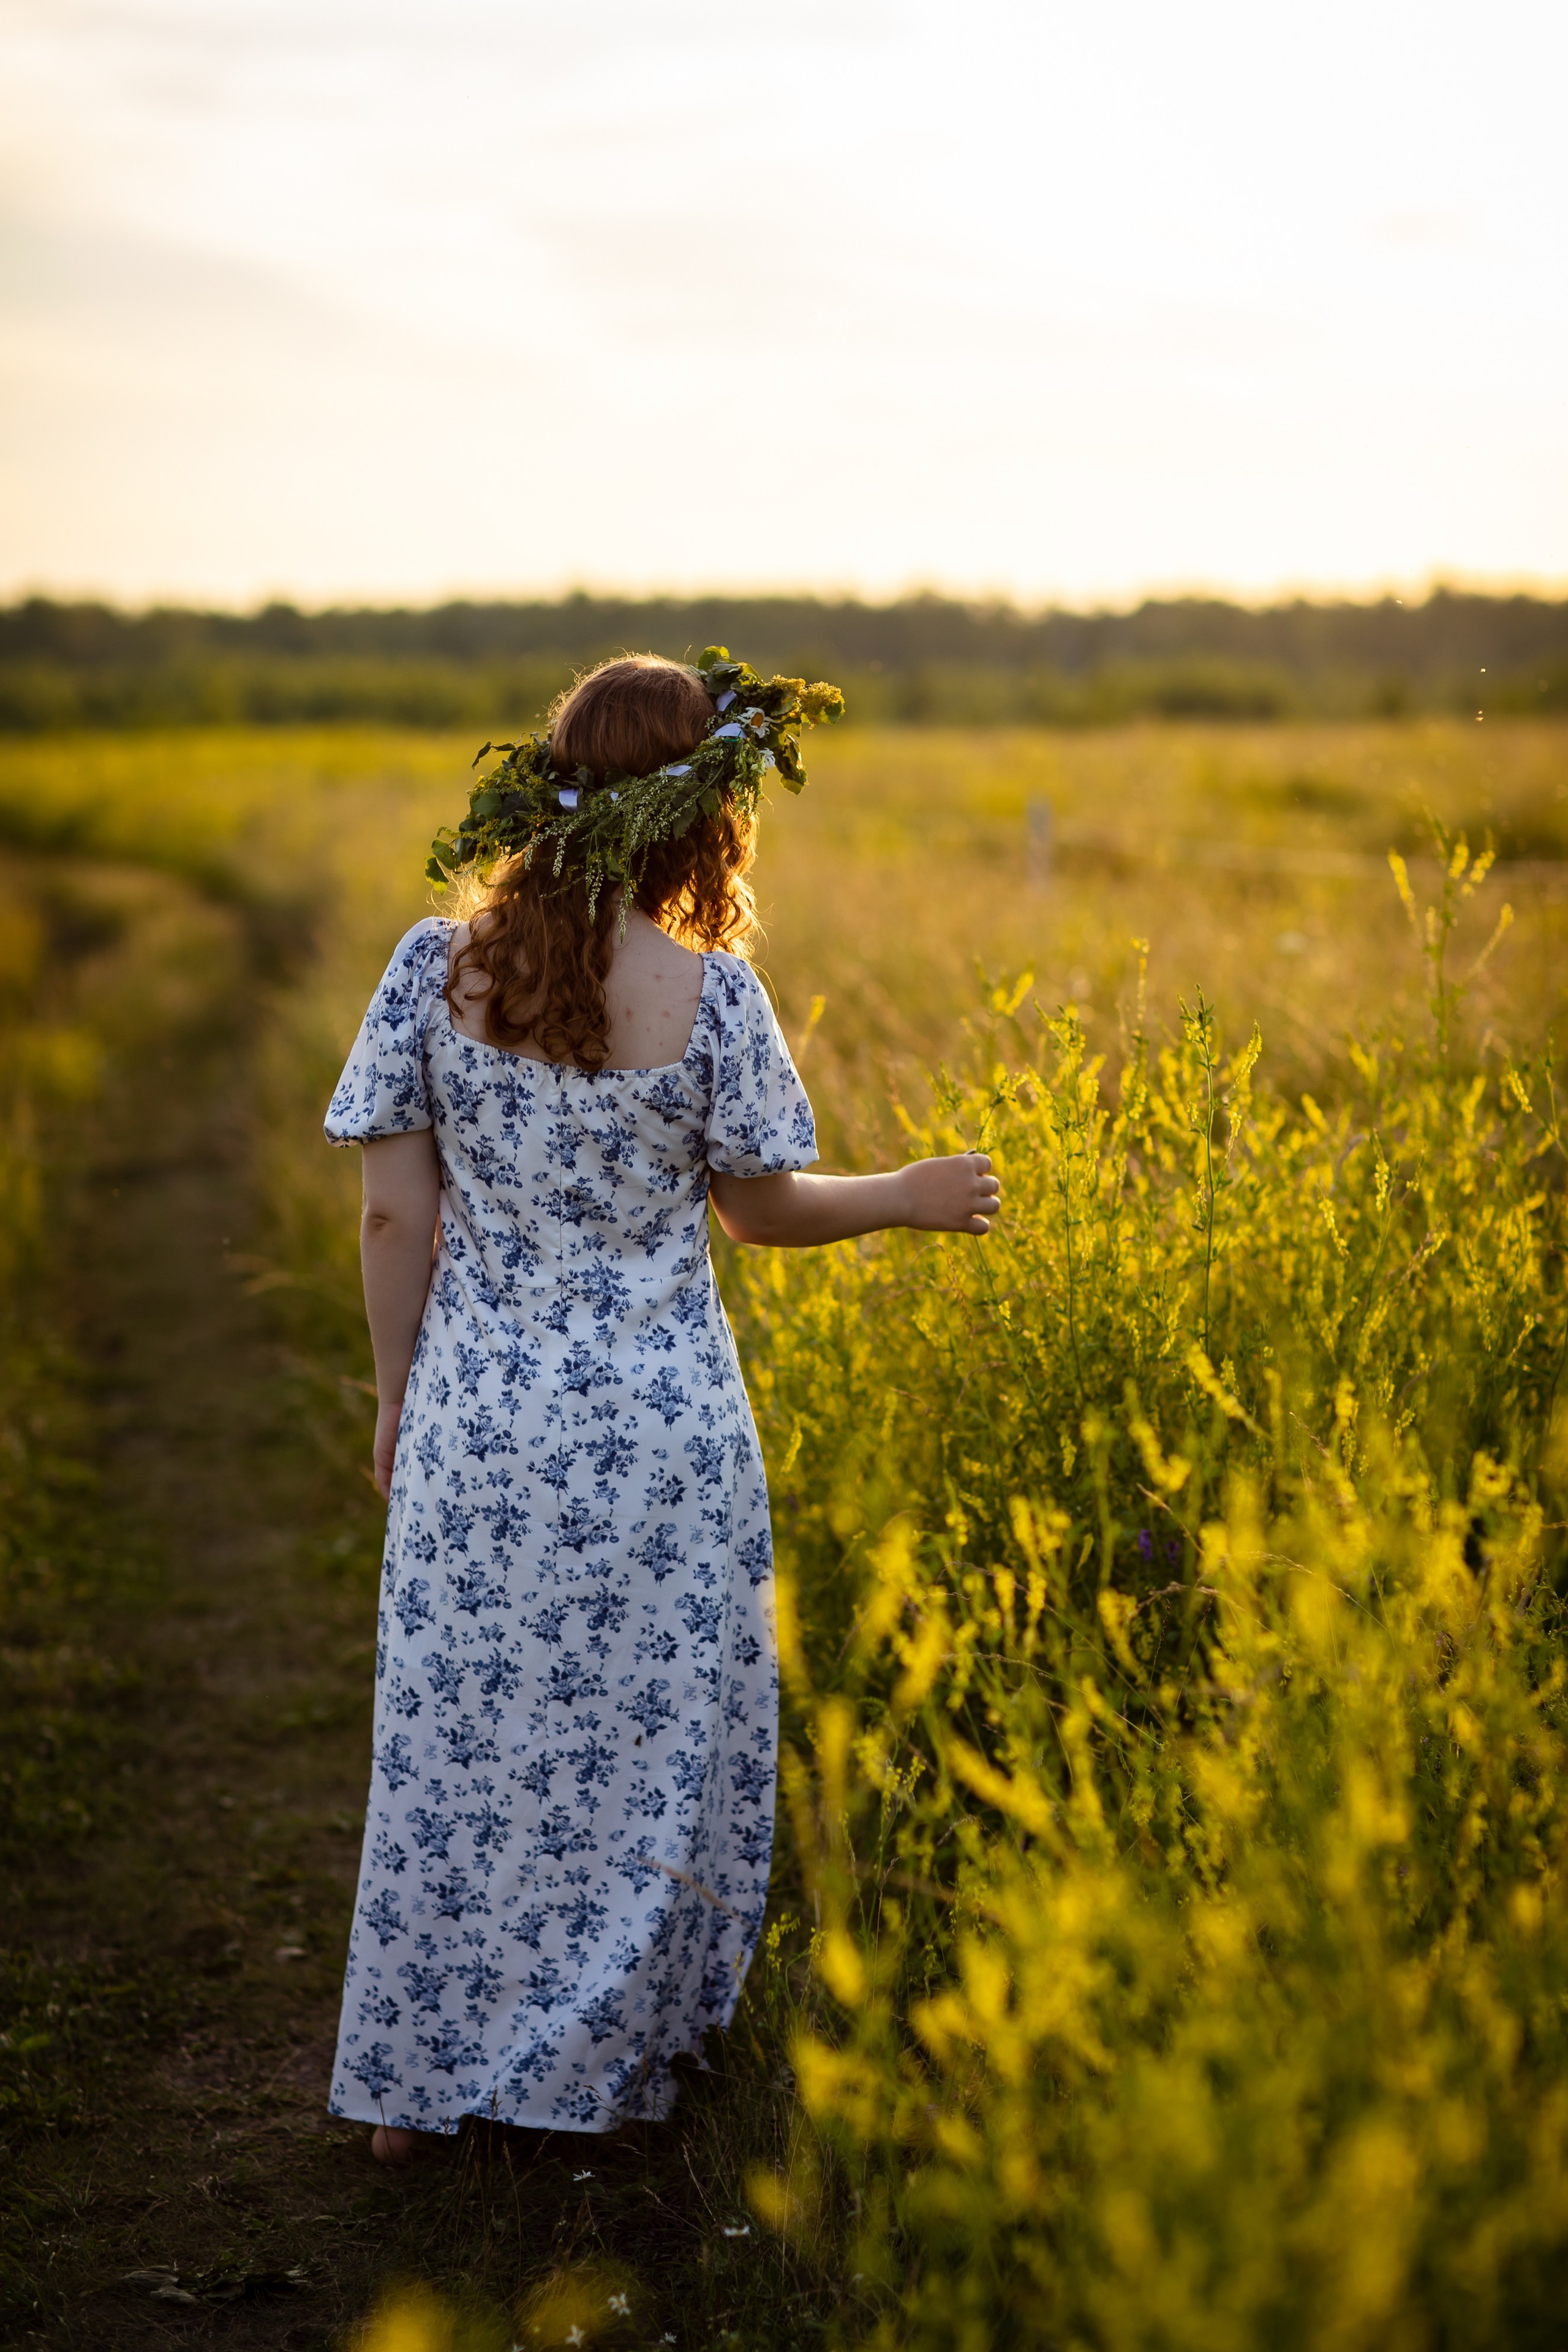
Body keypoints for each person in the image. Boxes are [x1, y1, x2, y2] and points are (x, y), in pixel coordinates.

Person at [322, 652, 1000, 2162]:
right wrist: (901, 1193)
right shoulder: (713, 993)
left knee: (459, 1748)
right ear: (702, 815)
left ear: (548, 787)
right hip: (659, 1437)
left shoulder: (431, 968)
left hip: (480, 1424)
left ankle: (416, 2095)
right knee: (643, 1754)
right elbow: (757, 1212)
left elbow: (390, 1219)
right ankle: (601, 2070)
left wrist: (395, 1399)